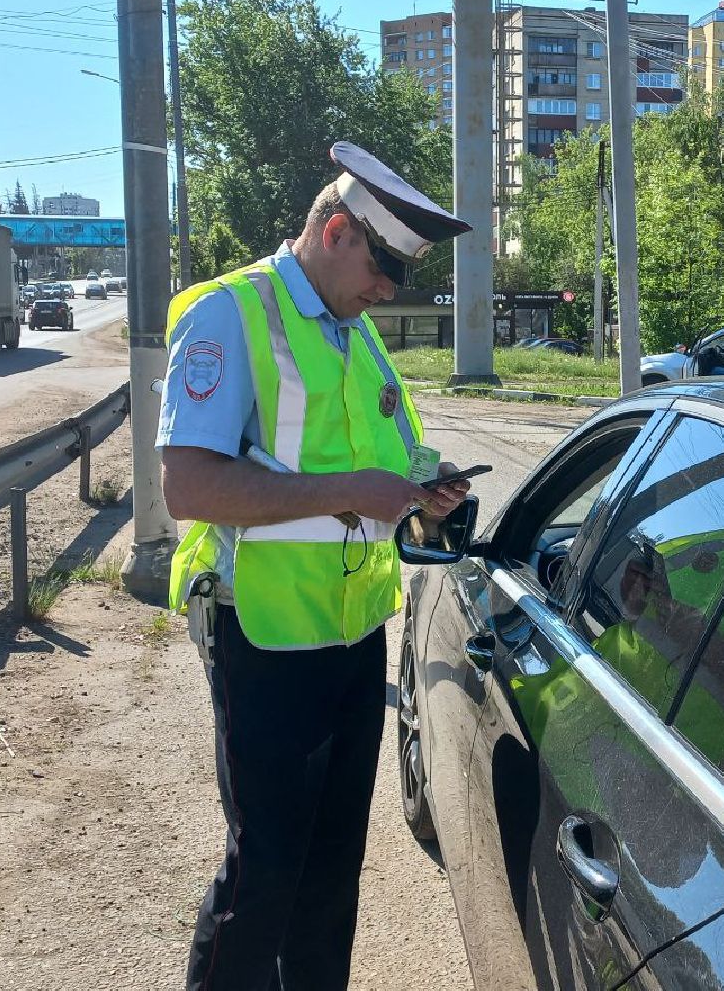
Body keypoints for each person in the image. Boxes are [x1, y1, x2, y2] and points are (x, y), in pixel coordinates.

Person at [157, 141, 473, 991]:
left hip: (352, 634)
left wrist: (418, 490)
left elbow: (389, 463)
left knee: (332, 878)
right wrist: (355, 491)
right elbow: (187, 485)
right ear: (337, 231)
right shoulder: (231, 315)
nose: (388, 295)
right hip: (261, 633)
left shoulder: (355, 336)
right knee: (265, 875)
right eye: (383, 272)